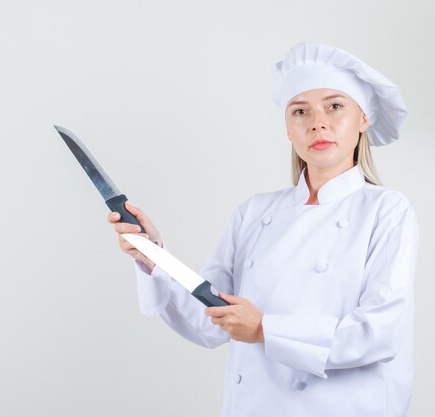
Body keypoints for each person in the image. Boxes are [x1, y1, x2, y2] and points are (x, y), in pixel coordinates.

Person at [108, 43, 419, 417]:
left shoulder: (387, 210)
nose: (317, 122)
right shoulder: (254, 213)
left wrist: (265, 330)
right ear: (289, 129)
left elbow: (379, 333)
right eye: (300, 111)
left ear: (363, 119)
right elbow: (209, 321)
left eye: (335, 106)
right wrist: (154, 256)